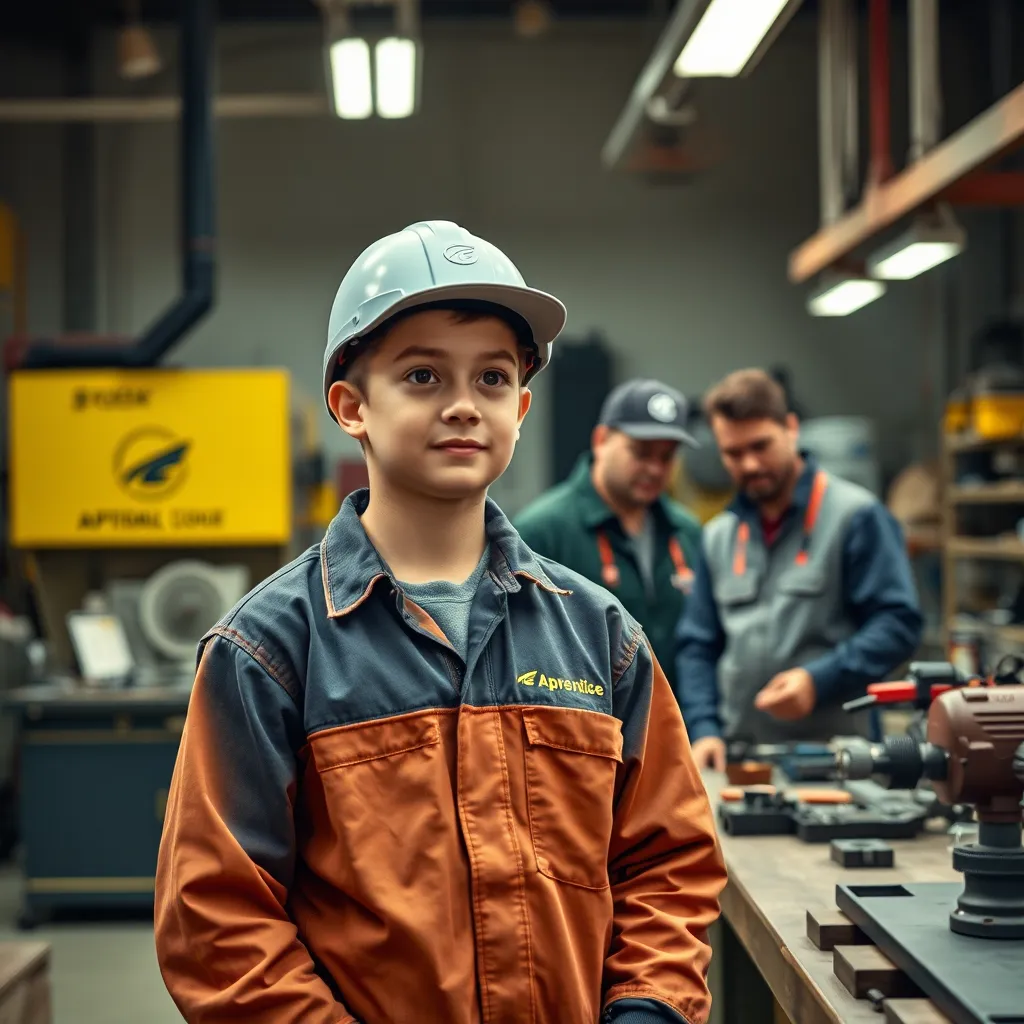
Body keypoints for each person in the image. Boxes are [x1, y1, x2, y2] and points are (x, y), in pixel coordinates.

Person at [154, 220, 726, 1024]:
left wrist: (648, 1008)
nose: (464, 405)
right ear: (352, 407)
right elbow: (216, 915)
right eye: (423, 375)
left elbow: (668, 859)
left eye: (492, 379)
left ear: (521, 408)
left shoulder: (598, 635)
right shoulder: (271, 650)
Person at [676, 368, 923, 771]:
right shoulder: (718, 535)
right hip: (741, 761)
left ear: (791, 429)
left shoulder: (855, 517)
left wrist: (818, 680)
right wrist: (703, 728)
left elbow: (898, 624)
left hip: (839, 762)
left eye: (761, 445)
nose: (750, 464)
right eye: (733, 453)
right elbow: (697, 644)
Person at [513, 379, 702, 700]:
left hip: (673, 730)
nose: (655, 469)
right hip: (586, 731)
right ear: (601, 440)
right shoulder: (542, 531)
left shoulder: (687, 532)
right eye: (641, 453)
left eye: (667, 457)